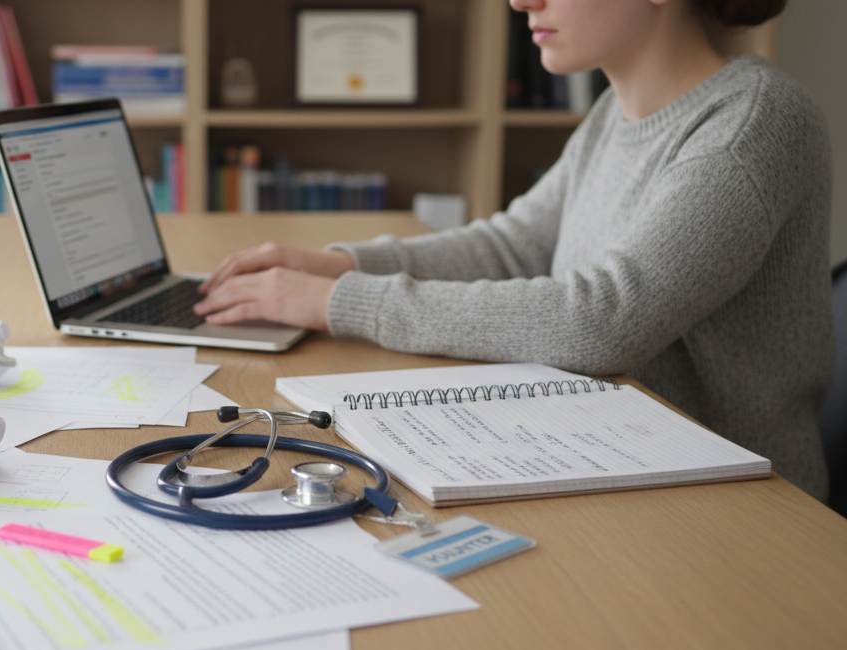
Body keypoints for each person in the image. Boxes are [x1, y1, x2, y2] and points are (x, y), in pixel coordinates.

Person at [193, 0, 834, 500]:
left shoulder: (754, 125)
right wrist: (347, 264)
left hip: (744, 507)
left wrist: (343, 301)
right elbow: (516, 244)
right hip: (619, 457)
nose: (522, 3)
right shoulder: (618, 111)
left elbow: (603, 319)